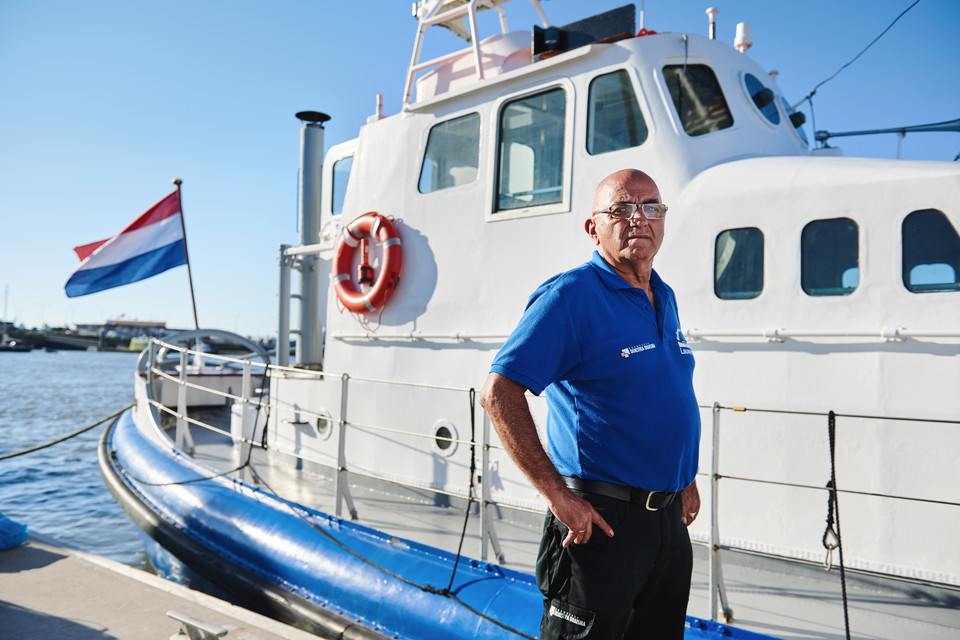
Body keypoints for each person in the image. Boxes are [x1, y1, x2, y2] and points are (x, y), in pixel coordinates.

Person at [479, 169, 701, 639]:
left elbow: (660, 393)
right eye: (621, 209)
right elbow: (499, 392)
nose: (638, 219)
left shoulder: (664, 295)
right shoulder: (571, 295)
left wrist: (684, 478)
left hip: (665, 525)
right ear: (592, 227)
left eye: (651, 208)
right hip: (599, 521)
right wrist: (558, 496)